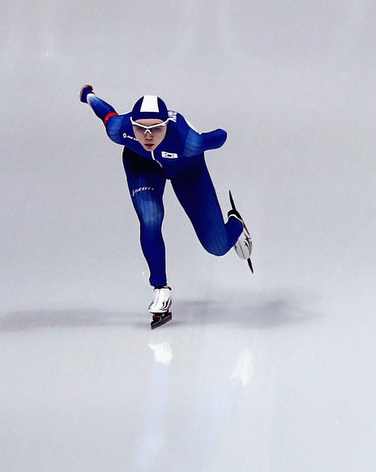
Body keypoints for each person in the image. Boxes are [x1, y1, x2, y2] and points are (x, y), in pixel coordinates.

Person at [79, 88, 253, 328]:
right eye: (141, 129)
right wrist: (88, 95)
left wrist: (218, 133)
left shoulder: (188, 141)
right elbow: (105, 112)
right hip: (142, 166)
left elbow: (220, 136)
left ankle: (235, 224)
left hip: (186, 169)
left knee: (217, 246)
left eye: (156, 129)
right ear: (132, 125)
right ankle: (160, 289)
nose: (148, 136)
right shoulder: (120, 129)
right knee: (150, 218)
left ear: (166, 126)